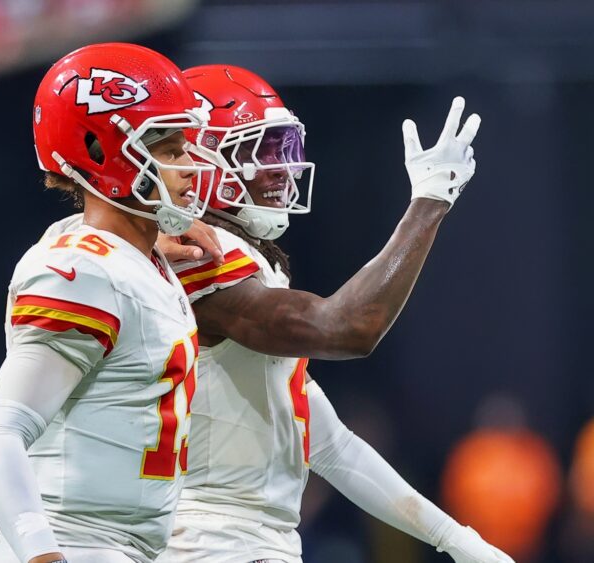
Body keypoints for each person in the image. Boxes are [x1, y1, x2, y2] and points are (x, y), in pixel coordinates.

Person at [155, 65, 511, 563]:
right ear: (195, 161)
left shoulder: (235, 263)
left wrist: (458, 540)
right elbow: (348, 328)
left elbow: (332, 445)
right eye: (258, 150)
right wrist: (428, 203)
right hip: (209, 540)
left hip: (241, 540)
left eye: (282, 148)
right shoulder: (191, 253)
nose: (280, 167)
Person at [0, 43, 216, 563]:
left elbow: (88, 234)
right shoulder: (84, 273)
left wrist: (147, 234)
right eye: (169, 150)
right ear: (100, 151)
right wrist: (42, 555)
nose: (189, 166)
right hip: (74, 543)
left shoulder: (131, 261)